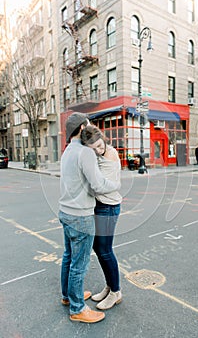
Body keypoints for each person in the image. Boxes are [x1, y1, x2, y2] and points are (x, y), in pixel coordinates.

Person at [59, 112, 120, 323]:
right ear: (83, 127)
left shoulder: (68, 151)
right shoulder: (84, 152)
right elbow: (98, 185)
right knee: (79, 263)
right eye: (89, 124)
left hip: (65, 212)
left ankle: (68, 296)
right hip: (80, 215)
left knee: (68, 256)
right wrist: (116, 185)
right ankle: (77, 308)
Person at [81, 125, 122, 310]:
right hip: (100, 206)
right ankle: (109, 286)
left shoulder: (110, 155)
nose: (99, 150)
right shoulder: (96, 154)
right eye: (93, 149)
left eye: (99, 145)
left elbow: (99, 186)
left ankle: (116, 292)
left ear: (103, 139)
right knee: (99, 248)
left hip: (108, 207)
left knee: (105, 250)